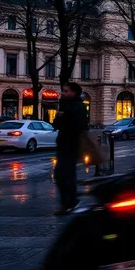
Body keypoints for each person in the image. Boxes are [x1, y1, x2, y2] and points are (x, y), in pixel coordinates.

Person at [52, 82, 88, 215]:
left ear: (74, 92)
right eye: (63, 91)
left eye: (66, 91)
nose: (64, 93)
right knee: (67, 174)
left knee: (63, 174)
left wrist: (62, 118)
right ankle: (70, 201)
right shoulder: (79, 106)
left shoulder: (69, 106)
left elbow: (57, 123)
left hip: (69, 143)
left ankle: (69, 202)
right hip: (69, 143)